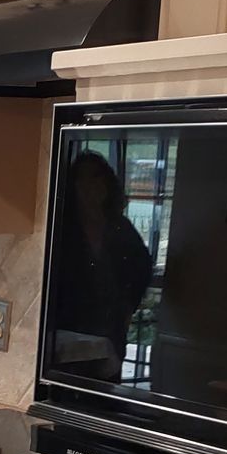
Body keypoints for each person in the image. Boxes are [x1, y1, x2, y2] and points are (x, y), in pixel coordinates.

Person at [48, 148, 152, 383]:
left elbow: (142, 266)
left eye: (96, 177)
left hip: (110, 329)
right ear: (72, 186)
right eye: (81, 179)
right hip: (67, 333)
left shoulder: (119, 227)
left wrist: (127, 307)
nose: (89, 186)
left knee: (106, 392)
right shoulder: (63, 228)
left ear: (107, 183)